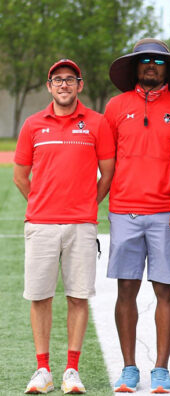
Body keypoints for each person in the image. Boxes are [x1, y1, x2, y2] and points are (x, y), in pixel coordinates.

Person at [14, 59, 115, 394]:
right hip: (41, 225)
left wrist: (86, 204)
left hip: (82, 226)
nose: (64, 85)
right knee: (40, 297)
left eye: (70, 79)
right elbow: (20, 176)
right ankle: (42, 370)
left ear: (80, 85)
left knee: (77, 296)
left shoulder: (97, 124)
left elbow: (108, 174)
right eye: (57, 79)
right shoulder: (32, 125)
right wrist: (42, 202)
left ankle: (72, 369)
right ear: (49, 86)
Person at [104, 38, 170, 393]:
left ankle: (161, 369)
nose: (150, 65)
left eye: (158, 60)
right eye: (144, 60)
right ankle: (129, 368)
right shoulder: (115, 107)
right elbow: (107, 162)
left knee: (165, 290)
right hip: (124, 210)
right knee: (125, 289)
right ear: (134, 66)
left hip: (166, 214)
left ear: (167, 67)